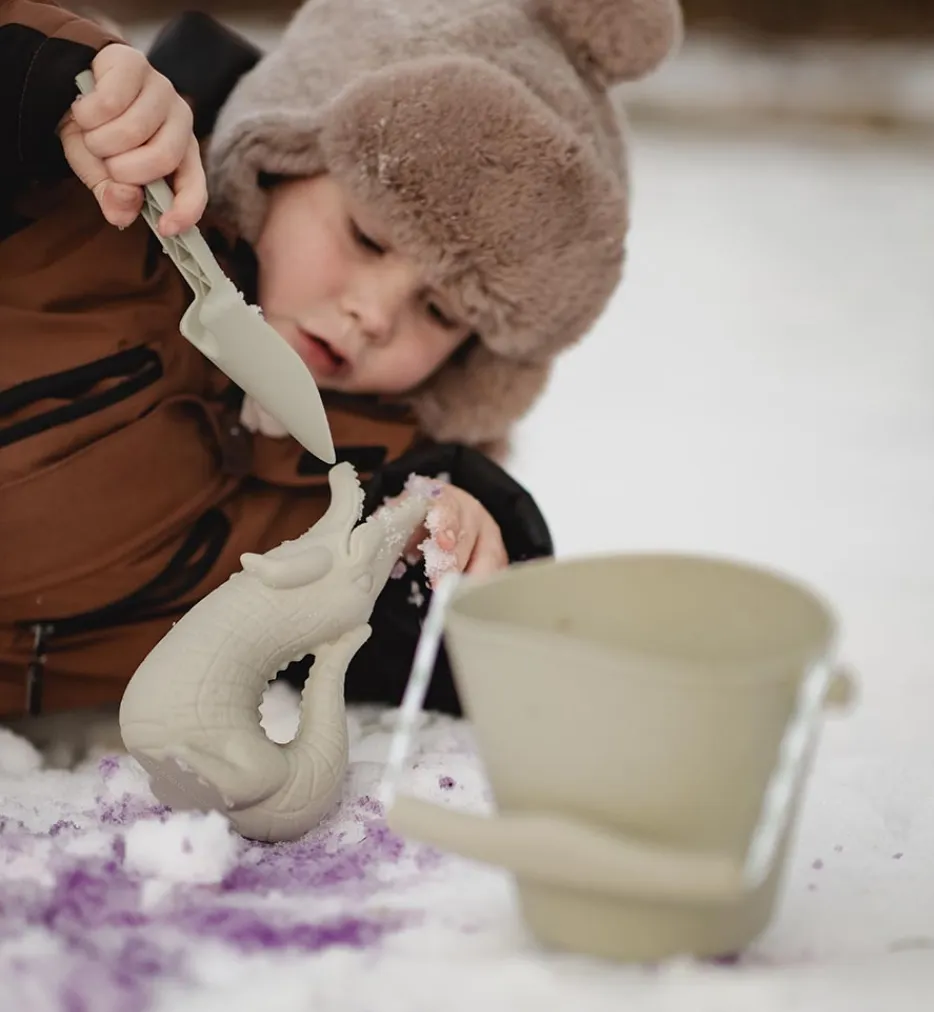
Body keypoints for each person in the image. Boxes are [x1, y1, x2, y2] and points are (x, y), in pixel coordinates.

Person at [0, 0, 682, 756]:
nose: (375, 314)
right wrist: (50, 78)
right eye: (367, 238)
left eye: (439, 311)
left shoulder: (346, 497)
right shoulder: (80, 207)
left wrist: (445, 561)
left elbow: (422, 669)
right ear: (278, 161)